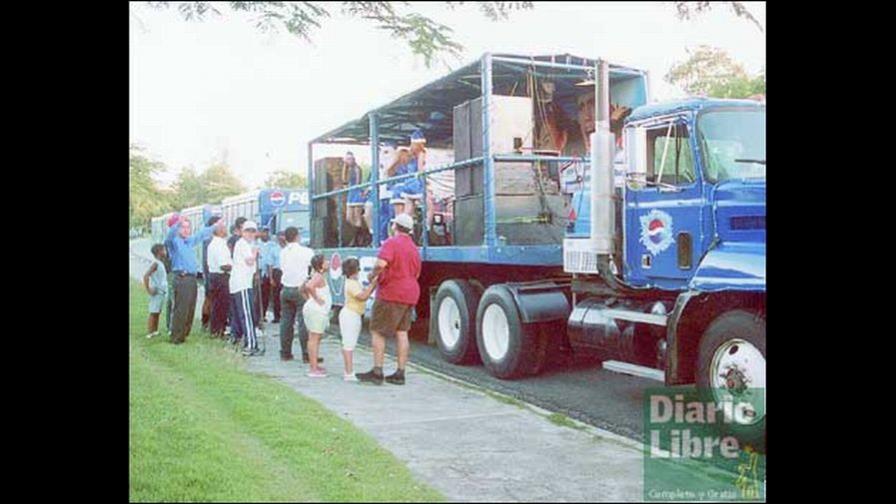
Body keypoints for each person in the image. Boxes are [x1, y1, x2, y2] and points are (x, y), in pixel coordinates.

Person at [356, 213, 422, 385]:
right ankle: (400, 372)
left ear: (394, 226)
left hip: (391, 292)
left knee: (377, 330)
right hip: (410, 292)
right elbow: (417, 273)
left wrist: (371, 276)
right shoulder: (414, 248)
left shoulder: (391, 243)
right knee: (402, 332)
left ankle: (377, 371)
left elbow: (380, 264)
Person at [166, 214, 217, 344]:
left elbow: (200, 234)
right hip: (182, 278)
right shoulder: (174, 242)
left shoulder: (189, 242)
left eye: (188, 227)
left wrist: (214, 226)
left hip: (191, 278)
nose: (186, 230)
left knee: (190, 308)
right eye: (183, 227)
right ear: (177, 229)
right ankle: (176, 337)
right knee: (181, 308)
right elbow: (170, 235)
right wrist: (178, 222)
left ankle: (184, 334)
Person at [278, 226, 320, 363]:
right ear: (297, 236)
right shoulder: (307, 251)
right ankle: (307, 353)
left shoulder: (282, 252)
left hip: (286, 288)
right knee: (304, 322)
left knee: (286, 321)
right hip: (301, 288)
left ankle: (285, 352)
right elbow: (313, 267)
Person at [339, 258, 376, 381]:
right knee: (349, 343)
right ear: (355, 270)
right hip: (351, 314)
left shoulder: (353, 282)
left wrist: (371, 286)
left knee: (349, 343)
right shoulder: (351, 283)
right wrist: (373, 284)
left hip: (353, 314)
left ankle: (349, 371)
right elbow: (363, 296)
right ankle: (348, 372)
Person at [230, 220, 262, 356]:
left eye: (252, 231)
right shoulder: (242, 244)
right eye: (247, 231)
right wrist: (255, 253)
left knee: (243, 314)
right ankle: (251, 343)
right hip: (241, 283)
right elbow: (249, 261)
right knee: (247, 314)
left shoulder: (247, 244)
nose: (250, 234)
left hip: (243, 283)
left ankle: (245, 340)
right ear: (242, 232)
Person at [302, 254, 331, 377]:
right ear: (321, 265)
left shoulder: (315, 275)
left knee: (314, 337)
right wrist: (316, 299)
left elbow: (301, 288)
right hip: (317, 310)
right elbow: (308, 286)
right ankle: (313, 369)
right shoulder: (318, 276)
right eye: (325, 261)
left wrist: (309, 299)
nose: (328, 262)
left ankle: (314, 365)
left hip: (315, 309)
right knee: (314, 338)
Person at [206, 218, 232, 338]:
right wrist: (235, 266)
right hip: (220, 277)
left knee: (218, 304)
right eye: (224, 227)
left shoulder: (217, 243)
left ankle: (216, 329)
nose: (226, 230)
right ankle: (218, 330)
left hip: (215, 276)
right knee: (221, 305)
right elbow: (223, 265)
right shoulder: (219, 244)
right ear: (220, 230)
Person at [143, 243, 168, 339]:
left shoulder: (160, 263)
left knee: (158, 311)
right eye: (164, 250)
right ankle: (150, 332)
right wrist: (149, 289)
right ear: (159, 252)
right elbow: (146, 276)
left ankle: (155, 330)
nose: (165, 252)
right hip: (156, 292)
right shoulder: (155, 264)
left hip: (161, 292)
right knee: (153, 312)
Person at [342, 151, 366, 231]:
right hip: (351, 193)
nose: (348, 161)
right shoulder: (347, 169)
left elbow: (358, 182)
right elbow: (344, 180)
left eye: (350, 159)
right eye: (347, 159)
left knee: (357, 216)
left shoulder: (357, 168)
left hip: (356, 192)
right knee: (349, 218)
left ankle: (360, 235)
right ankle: (356, 233)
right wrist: (345, 167)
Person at [269, 231, 285, 323]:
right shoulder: (274, 249)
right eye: (280, 236)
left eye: (283, 236)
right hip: (277, 272)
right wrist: (271, 278)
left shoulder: (289, 249)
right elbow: (270, 265)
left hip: (286, 271)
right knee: (276, 295)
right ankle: (277, 316)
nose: (282, 238)